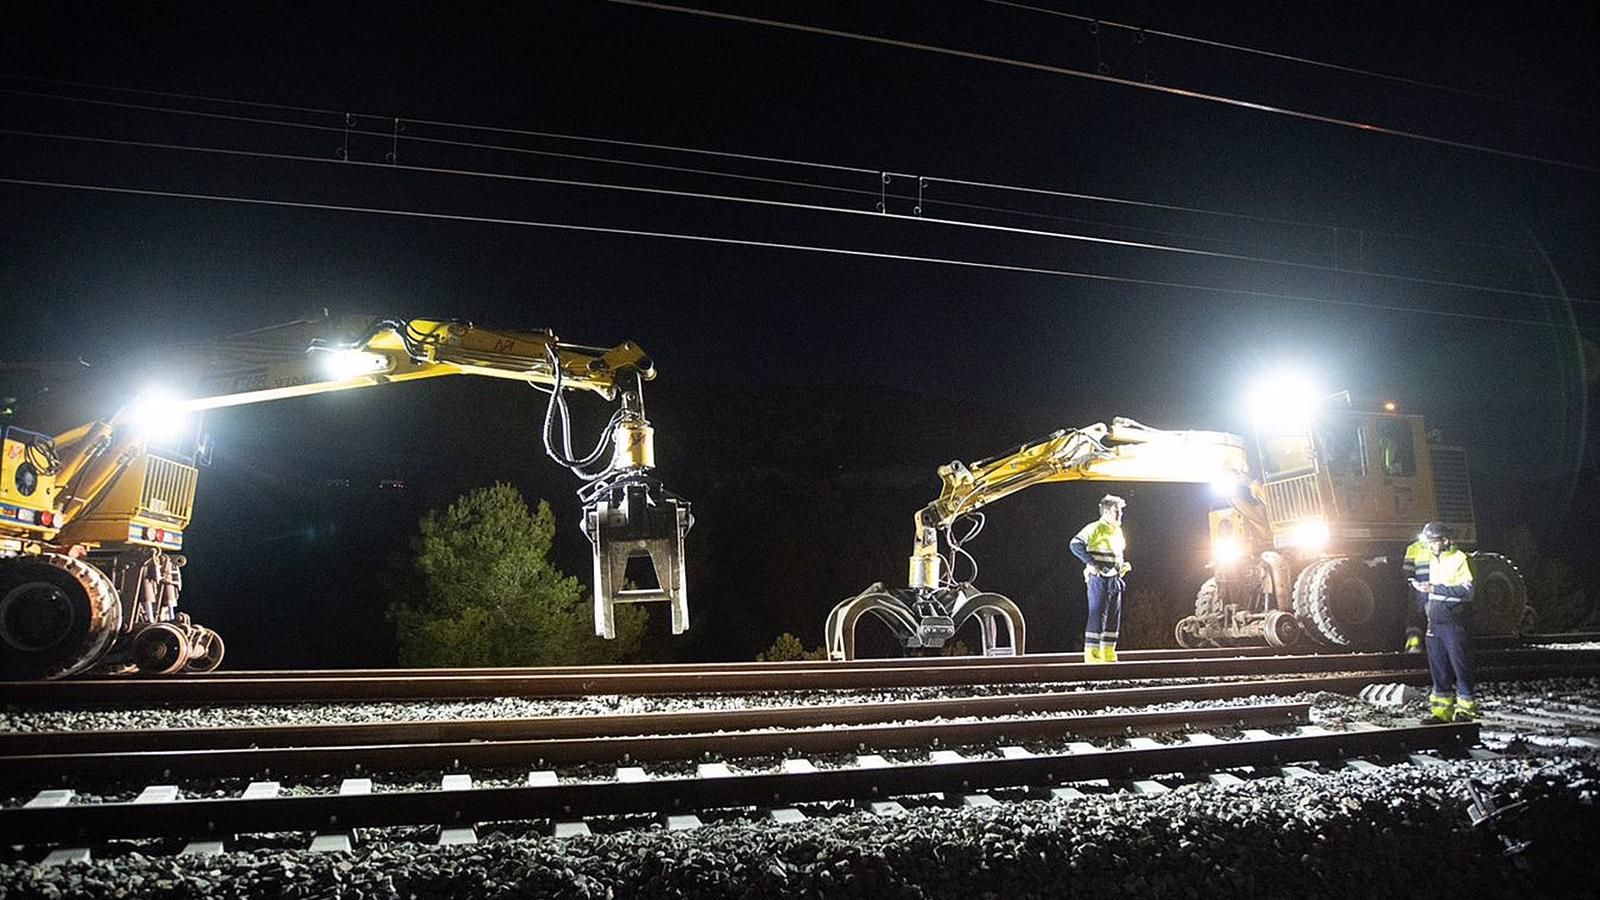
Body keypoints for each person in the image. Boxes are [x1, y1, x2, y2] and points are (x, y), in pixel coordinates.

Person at [1412, 521, 1477, 723]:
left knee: (1461, 667)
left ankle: (1466, 711)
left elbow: (1467, 592)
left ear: (1445, 540)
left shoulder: (1461, 559)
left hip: (1454, 622)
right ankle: (1442, 713)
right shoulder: (1433, 559)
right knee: (1439, 669)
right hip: (1435, 622)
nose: (1430, 546)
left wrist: (1434, 589)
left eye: (1433, 542)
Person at [1070, 494, 1130, 663]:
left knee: (1113, 616)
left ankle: (1109, 652)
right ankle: (1092, 654)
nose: (1119, 514)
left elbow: (1117, 553)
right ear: (1105, 512)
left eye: (1120, 511)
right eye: (1116, 511)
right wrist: (1092, 564)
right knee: (1097, 614)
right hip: (1099, 578)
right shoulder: (1094, 528)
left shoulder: (1117, 531)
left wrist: (1121, 566)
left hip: (1114, 578)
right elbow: (1075, 544)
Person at [1400, 535, 1430, 653]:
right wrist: (1412, 582)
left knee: (1418, 616)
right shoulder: (1414, 548)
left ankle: (1420, 645)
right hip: (1420, 586)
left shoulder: (1440, 548)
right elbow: (1407, 570)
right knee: (1416, 616)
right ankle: (1414, 644)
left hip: (1433, 586)